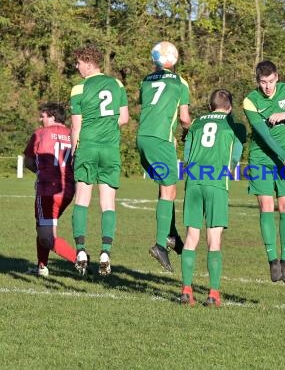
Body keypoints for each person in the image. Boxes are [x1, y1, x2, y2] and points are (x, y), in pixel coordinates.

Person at [242, 60, 285, 283]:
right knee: (266, 206)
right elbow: (264, 135)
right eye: (263, 82)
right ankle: (272, 260)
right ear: (257, 81)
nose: (268, 87)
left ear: (277, 77)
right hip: (262, 159)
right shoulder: (250, 101)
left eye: (271, 81)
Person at [179, 89, 244, 307]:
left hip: (194, 182)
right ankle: (213, 293)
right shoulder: (234, 124)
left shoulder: (196, 123)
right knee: (213, 240)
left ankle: (187, 290)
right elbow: (236, 154)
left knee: (191, 237)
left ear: (209, 106)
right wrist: (231, 167)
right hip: (217, 183)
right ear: (230, 107)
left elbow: (186, 154)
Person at [70, 44, 130, 276]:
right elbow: (123, 118)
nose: (76, 67)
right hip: (110, 148)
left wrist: (75, 150)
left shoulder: (79, 88)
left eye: (78, 63)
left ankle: (82, 250)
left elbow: (76, 125)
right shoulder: (117, 84)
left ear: (87, 62)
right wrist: (106, 126)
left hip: (87, 146)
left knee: (82, 200)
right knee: (108, 203)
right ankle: (105, 251)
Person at [137, 41, 191, 273]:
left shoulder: (145, 81)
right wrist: (189, 131)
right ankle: (161, 244)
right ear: (175, 60)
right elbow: (184, 118)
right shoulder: (180, 83)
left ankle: (172, 235)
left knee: (165, 188)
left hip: (142, 139)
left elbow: (150, 109)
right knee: (170, 189)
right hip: (161, 140)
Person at [23, 102, 77, 277]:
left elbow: (28, 161)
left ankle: (80, 260)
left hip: (47, 190)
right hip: (68, 190)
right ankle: (42, 267)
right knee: (43, 227)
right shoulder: (73, 134)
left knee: (46, 235)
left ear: (53, 116)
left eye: (43, 116)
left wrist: (41, 171)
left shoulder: (40, 133)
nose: (41, 119)